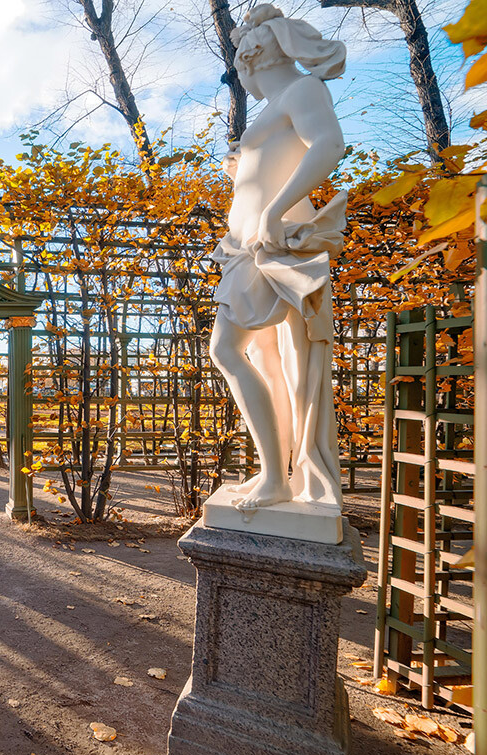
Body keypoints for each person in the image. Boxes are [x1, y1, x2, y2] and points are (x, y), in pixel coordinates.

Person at [209, 4, 347, 513]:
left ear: (252, 59)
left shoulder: (302, 90)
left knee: (227, 351)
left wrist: (273, 207)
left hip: (273, 245)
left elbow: (329, 145)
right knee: (269, 361)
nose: (243, 82)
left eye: (241, 72)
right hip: (247, 251)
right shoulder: (279, 102)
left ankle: (275, 476)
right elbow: (278, 159)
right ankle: (277, 474)